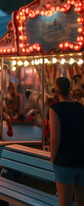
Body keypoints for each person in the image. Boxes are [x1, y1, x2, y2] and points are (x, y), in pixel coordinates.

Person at [49, 77, 84, 205]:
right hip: (81, 160)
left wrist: (53, 158)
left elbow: (55, 138)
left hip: (64, 161)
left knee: (65, 203)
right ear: (70, 88)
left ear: (56, 90)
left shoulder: (55, 109)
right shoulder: (80, 107)